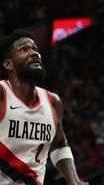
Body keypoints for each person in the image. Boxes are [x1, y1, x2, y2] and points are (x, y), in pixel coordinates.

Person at [0, 29, 87, 185]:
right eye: (24, 49)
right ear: (8, 64)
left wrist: (73, 180)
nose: (34, 53)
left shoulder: (53, 102)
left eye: (35, 49)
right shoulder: (2, 94)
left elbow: (59, 144)